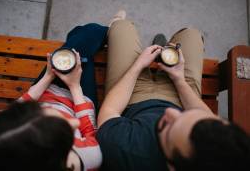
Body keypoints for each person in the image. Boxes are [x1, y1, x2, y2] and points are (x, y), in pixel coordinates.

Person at [96, 10, 250, 171]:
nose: (169, 113)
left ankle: (116, 28)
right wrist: (179, 79)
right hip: (179, 96)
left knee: (122, 28)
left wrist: (138, 66)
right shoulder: (218, 147)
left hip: (130, 100)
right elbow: (204, 114)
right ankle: (164, 53)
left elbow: (110, 110)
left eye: (168, 127)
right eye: (192, 116)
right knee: (192, 36)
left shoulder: (124, 151)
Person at [0, 23, 108, 171]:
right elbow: (89, 131)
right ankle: (113, 30)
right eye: (64, 133)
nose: (74, 123)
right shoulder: (88, 159)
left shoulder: (1, 138)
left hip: (45, 89)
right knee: (90, 32)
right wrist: (75, 86)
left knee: (77, 41)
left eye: (37, 110)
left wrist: (47, 77)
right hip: (79, 101)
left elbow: (18, 107)